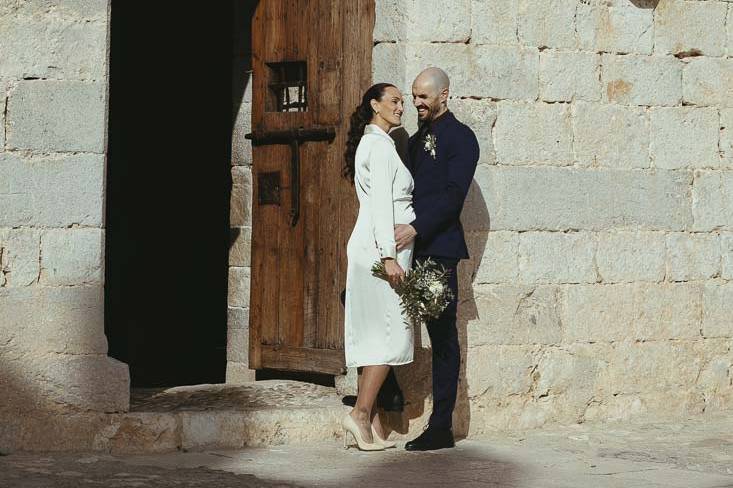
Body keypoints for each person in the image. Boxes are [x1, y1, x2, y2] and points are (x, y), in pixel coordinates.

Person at [395, 67, 479, 451]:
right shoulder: (414, 141)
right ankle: (385, 393)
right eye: (413, 96)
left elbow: (452, 196)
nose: (416, 103)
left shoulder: (462, 138)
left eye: (423, 97)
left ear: (444, 94)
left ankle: (441, 426)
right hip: (407, 250)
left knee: (442, 337)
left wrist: (416, 228)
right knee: (379, 312)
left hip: (438, 251)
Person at [342, 82, 415, 451]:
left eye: (403, 102)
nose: (401, 107)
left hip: (372, 246)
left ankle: (372, 426)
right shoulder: (381, 148)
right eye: (394, 101)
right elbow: (382, 206)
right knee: (391, 335)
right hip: (381, 250)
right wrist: (388, 256)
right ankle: (360, 413)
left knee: (376, 336)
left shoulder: (372, 144)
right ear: (375, 105)